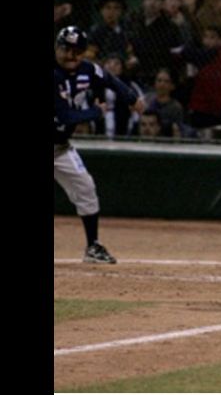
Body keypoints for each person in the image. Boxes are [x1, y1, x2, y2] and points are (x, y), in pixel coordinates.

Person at [54, 26, 145, 264]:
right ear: (57, 48)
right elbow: (65, 116)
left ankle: (93, 246)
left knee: (86, 189)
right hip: (60, 136)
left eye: (77, 51)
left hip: (59, 146)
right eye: (66, 49)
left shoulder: (87, 69)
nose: (71, 55)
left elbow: (109, 79)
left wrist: (132, 98)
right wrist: (96, 112)